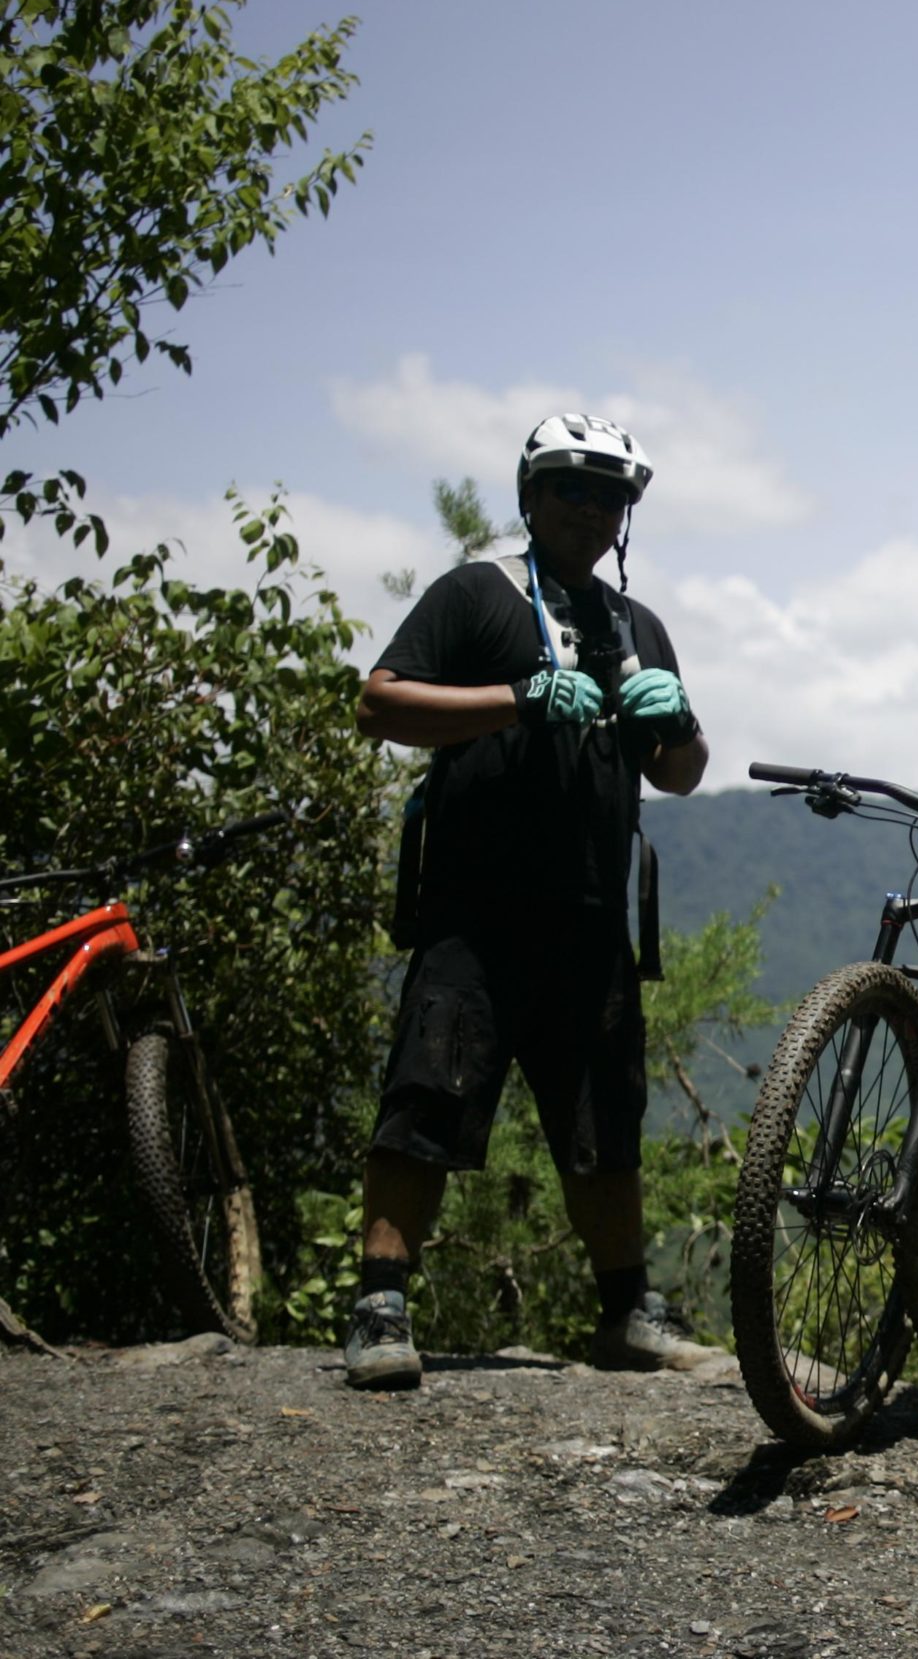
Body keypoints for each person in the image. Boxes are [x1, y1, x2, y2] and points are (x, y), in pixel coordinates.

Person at [342, 413, 719, 1391]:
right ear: (532, 497)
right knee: (426, 1094)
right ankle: (381, 1301)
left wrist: (675, 725)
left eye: (610, 498)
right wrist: (517, 696)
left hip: (592, 913)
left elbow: (680, 773)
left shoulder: (637, 628)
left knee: (607, 1117)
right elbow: (380, 702)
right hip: (475, 906)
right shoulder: (479, 595)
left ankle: (626, 1311)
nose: (591, 512)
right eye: (571, 491)